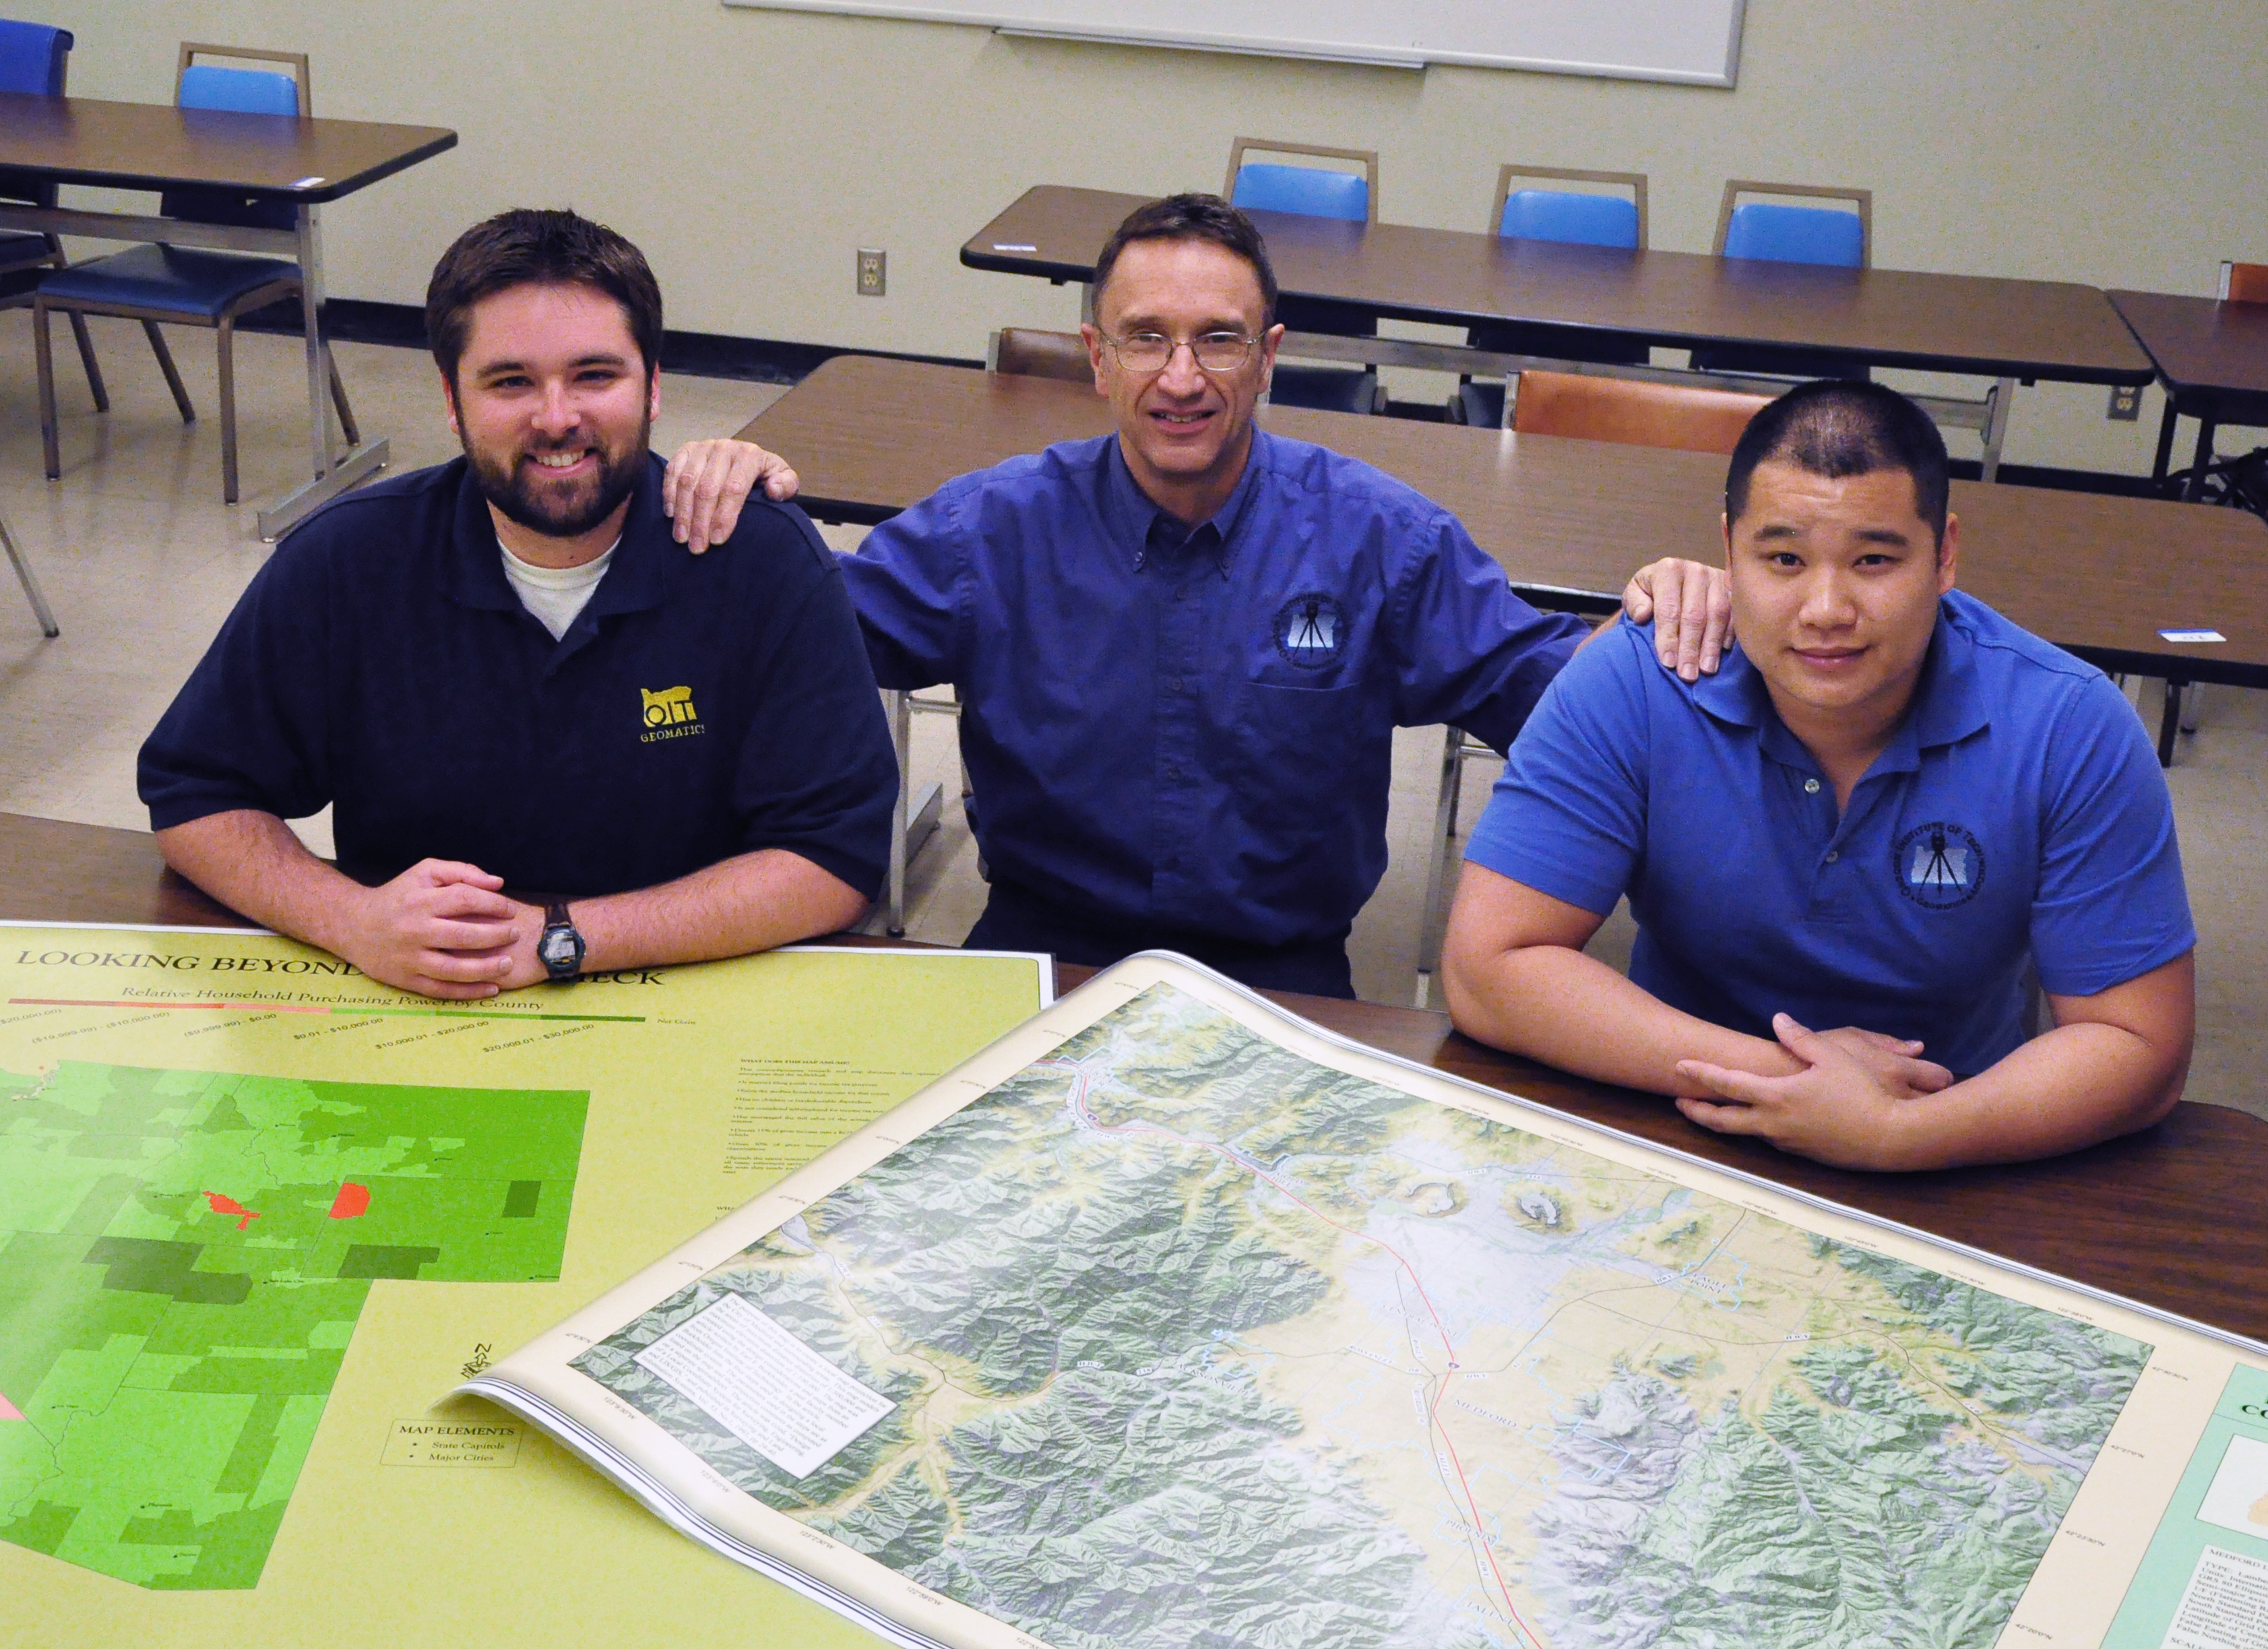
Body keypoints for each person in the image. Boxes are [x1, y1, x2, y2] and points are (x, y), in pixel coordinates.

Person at [660, 193, 1732, 998]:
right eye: (1146, 339)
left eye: (1217, 339)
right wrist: (742, 514)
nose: (1182, 377)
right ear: (1096, 357)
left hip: (1287, 972)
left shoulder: (1378, 540)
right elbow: (796, 640)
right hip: (1038, 945)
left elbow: (1557, 696)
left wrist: (1661, 615)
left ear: (1268, 358)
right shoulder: (993, 528)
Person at [138, 209, 897, 1000]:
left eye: (595, 375)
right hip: (420, 1004)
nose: (557, 417)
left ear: (656, 385)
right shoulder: (347, 559)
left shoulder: (759, 558)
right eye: (511, 382)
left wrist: (564, 939)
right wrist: (352, 919)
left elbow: (836, 858)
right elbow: (197, 794)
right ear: (450, 398)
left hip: (699, 993)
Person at [1441, 379, 2196, 1170]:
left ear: (1944, 556)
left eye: (1874, 559)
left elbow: (2139, 1045)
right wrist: (1795, 1082)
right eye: (1784, 559)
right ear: (1728, 551)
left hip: (1965, 1134)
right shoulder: (1639, 676)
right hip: (1669, 1110)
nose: (1827, 606)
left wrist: (1895, 1133)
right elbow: (1488, 967)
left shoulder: (2069, 726)